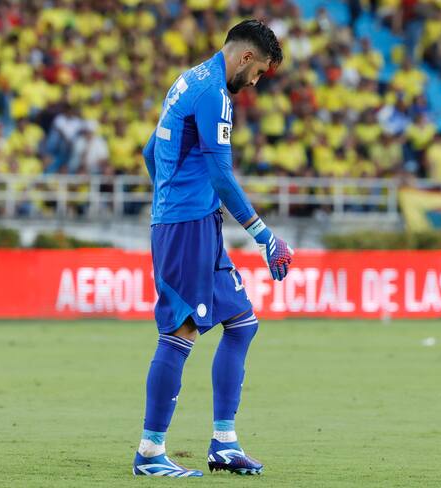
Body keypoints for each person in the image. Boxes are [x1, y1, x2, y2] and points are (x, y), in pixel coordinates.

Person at [133, 20, 291, 478]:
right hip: (186, 228)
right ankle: (149, 451)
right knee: (180, 333)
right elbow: (221, 175)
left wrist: (173, 195)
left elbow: (149, 153)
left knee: (242, 322)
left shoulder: (187, 81)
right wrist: (265, 236)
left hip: (196, 222)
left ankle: (224, 442)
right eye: (259, 71)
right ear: (245, 58)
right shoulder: (214, 95)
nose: (256, 81)